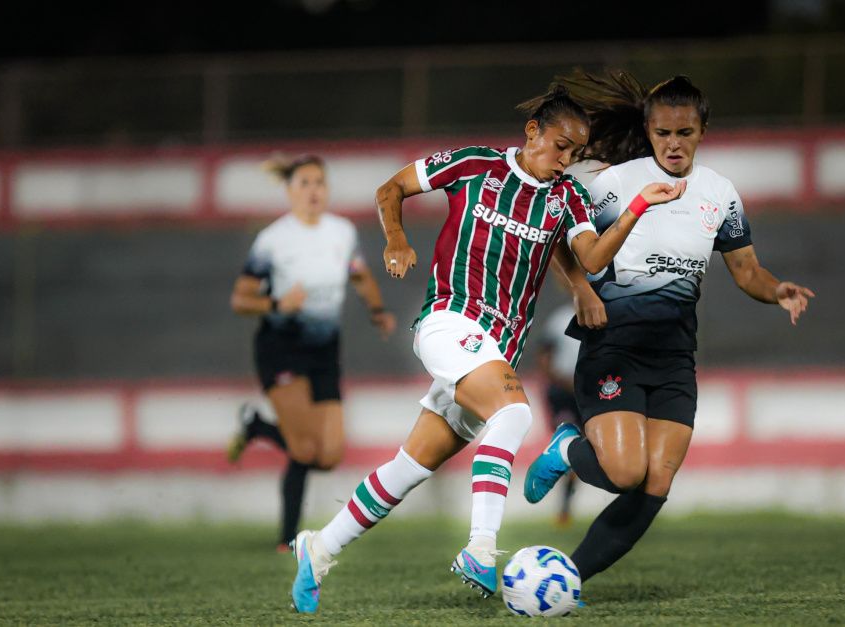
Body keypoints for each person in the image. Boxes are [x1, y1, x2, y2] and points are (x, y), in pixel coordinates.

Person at [288, 84, 688, 613]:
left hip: (496, 347)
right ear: (532, 132)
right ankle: (480, 549)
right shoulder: (475, 165)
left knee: (411, 466)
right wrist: (396, 239)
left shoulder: (566, 196)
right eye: (560, 147)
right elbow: (392, 188)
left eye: (574, 152)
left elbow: (587, 256)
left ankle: (319, 547)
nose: (565, 160)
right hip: (449, 322)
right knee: (515, 412)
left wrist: (628, 218)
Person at [524, 71, 815, 591]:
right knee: (624, 473)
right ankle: (567, 448)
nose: (674, 143)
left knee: (655, 481)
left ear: (702, 131)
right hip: (614, 346)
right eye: (663, 133)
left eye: (685, 133)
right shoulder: (614, 185)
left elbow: (747, 270)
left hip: (674, 356)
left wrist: (778, 291)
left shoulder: (719, 194)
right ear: (648, 131)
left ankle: (567, 579)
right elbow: (559, 239)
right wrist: (582, 291)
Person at [227, 154, 396, 553]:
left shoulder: (342, 232)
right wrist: (277, 304)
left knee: (329, 455)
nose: (313, 190)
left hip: (324, 350)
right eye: (304, 183)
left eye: (319, 182)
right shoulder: (273, 240)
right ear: (289, 191)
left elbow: (359, 275)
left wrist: (377, 311)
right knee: (303, 448)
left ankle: (256, 425)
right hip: (281, 347)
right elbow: (240, 299)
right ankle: (288, 539)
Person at [536, 301, 586, 527]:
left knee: (581, 448)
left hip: (587, 392)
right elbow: (544, 356)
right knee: (568, 445)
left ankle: (564, 508)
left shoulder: (606, 316)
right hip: (562, 393)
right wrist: (558, 380)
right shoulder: (560, 319)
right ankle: (562, 507)